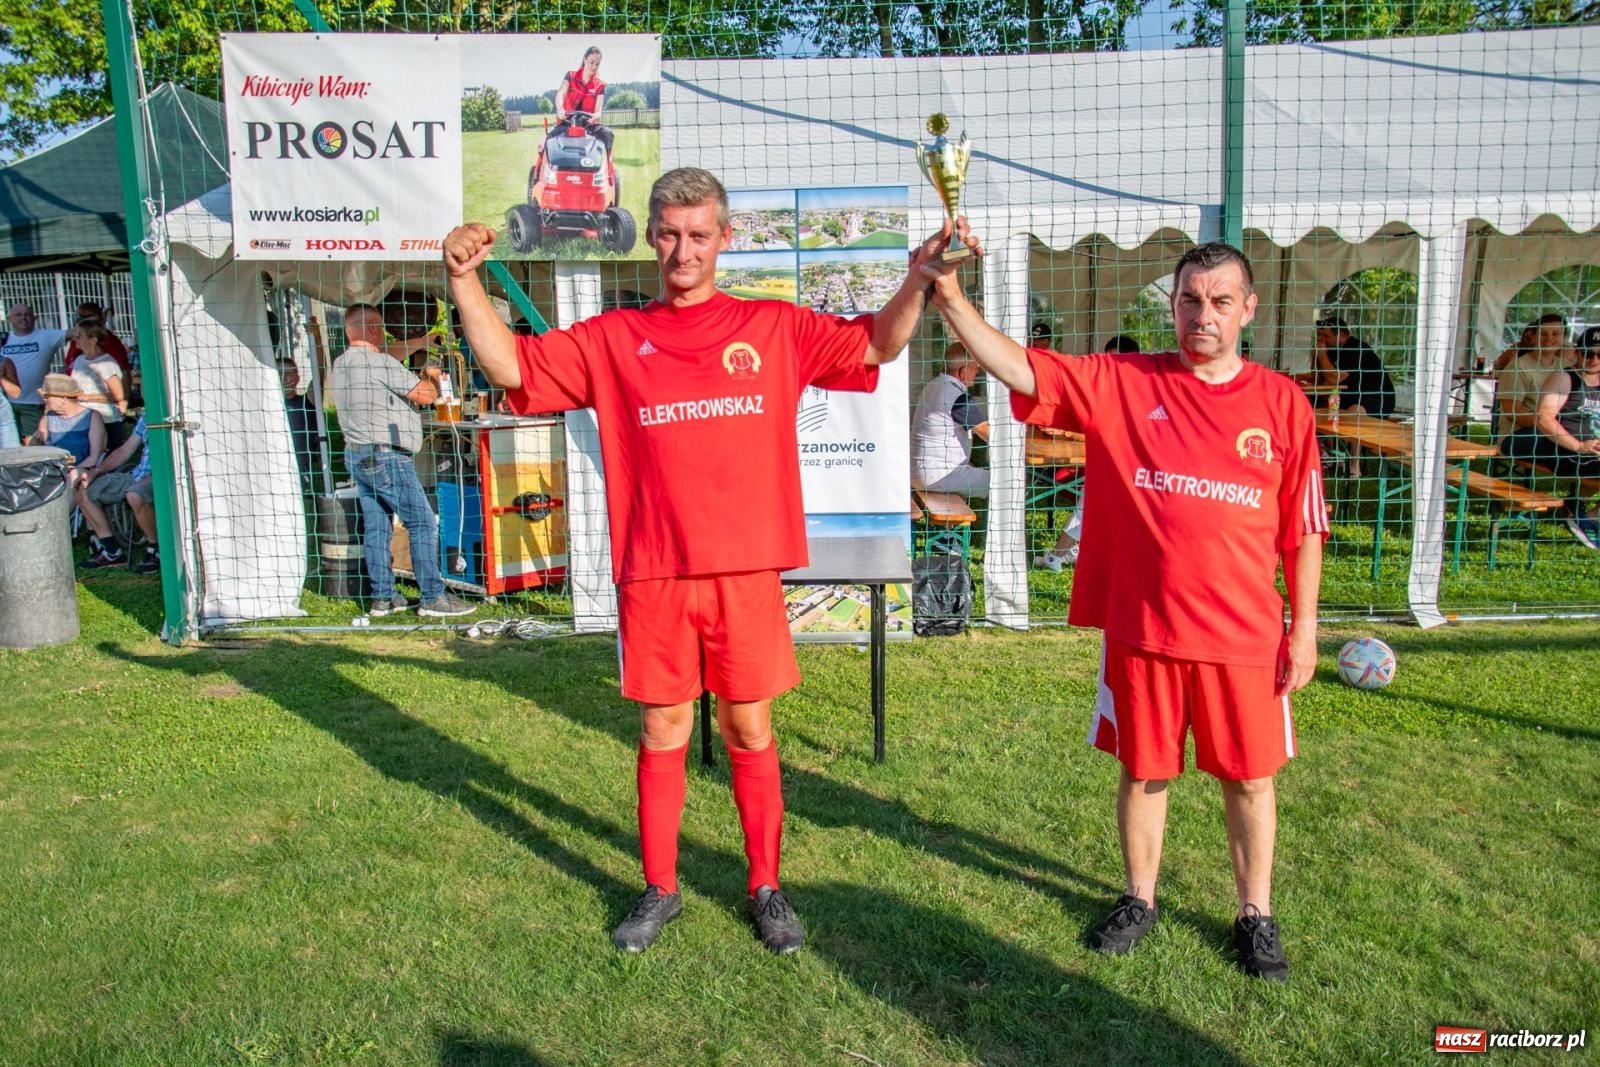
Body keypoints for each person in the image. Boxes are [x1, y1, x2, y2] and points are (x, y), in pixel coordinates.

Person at [443, 166, 963, 955]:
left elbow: (876, 343)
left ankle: (766, 883)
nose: (683, 250)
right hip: (656, 570)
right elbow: (513, 369)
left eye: (698, 235)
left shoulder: (773, 328)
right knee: (662, 729)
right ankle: (660, 886)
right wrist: (464, 282)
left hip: (745, 571)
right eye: (670, 234)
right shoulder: (616, 339)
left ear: (724, 239)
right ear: (650, 236)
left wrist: (920, 278)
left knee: (749, 728)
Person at [929, 238, 1326, 982]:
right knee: (1145, 768)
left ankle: (1255, 912)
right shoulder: (1122, 381)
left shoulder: (1282, 403)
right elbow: (1021, 367)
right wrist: (950, 297)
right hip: (1144, 627)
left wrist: (1303, 628)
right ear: (1172, 305)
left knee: (1249, 777)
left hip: (1244, 634)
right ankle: (1139, 897)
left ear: (1248, 308)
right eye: (1188, 300)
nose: (1201, 315)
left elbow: (1304, 527)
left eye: (1217, 301)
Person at [328, 304, 477, 620]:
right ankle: (433, 597)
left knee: (377, 527)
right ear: (371, 329)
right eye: (381, 328)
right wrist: (434, 375)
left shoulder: (342, 363)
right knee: (422, 521)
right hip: (388, 456)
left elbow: (390, 356)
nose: (385, 335)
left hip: (358, 455)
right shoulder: (380, 363)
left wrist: (422, 342)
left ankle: (383, 597)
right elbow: (424, 395)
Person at [1035, 335, 1143, 571]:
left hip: (1125, 463)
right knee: (1093, 505)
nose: (1108, 362)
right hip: (1106, 460)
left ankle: (1058, 555)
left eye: (1114, 357)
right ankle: (1068, 551)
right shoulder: (1108, 388)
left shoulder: (1133, 392)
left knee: (1090, 506)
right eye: (1106, 357)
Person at [1499, 324, 1600, 549]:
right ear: (1577, 353)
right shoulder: (1564, 378)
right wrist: (1579, 445)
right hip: (1560, 444)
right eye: (1587, 353)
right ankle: (1578, 510)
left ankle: (1584, 511)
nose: (1593, 359)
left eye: (1599, 354)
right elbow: (1544, 420)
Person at [74, 412, 161, 573]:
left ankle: (155, 549)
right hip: (136, 475)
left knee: (135, 494)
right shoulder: (147, 416)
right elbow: (125, 450)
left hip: (163, 475)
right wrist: (95, 471)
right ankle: (111, 550)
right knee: (82, 486)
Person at [911, 341, 988, 499]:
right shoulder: (958, 397)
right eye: (975, 368)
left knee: (973, 471)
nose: (977, 372)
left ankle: (961, 523)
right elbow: (989, 433)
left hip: (918, 471)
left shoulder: (932, 385)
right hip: (938, 475)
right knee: (1005, 482)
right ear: (962, 371)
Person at [1497, 313, 1575, 441]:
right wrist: (1547, 423)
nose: (1549, 339)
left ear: (1563, 339)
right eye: (1543, 334)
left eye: (1555, 334)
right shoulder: (1518, 367)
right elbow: (1512, 412)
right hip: (1517, 434)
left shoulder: (1566, 367)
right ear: (1533, 337)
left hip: (1555, 429)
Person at [1, 302, 68, 442]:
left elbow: (77, 333)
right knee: (8, 443)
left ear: (35, 318)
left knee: (32, 442)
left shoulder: (47, 336)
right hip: (6, 402)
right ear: (10, 319)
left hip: (33, 402)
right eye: (18, 315)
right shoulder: (3, 339)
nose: (23, 318)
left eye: (27, 314)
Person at [69, 324, 129, 450]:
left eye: (79, 335)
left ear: (93, 340)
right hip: (83, 419)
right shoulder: (79, 360)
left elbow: (118, 396)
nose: (75, 338)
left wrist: (87, 397)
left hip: (106, 420)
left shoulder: (107, 363)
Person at [553, 46, 614, 162]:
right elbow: (560, 93)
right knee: (549, 138)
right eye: (592, 62)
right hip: (567, 123)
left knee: (607, 134)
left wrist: (596, 116)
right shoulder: (570, 76)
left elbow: (598, 111)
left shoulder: (600, 85)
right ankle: (542, 169)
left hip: (588, 125)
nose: (594, 66)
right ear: (585, 59)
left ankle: (607, 166)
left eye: (597, 64)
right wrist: (560, 109)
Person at [30, 373, 105, 468]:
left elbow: (95, 457)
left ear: (62, 399)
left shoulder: (92, 417)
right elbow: (39, 451)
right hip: (54, 470)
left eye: (46, 397)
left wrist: (74, 473)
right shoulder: (47, 418)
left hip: (84, 470)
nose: (44, 400)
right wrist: (35, 442)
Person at [278, 358, 322, 492]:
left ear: (297, 378)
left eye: (289, 373)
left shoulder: (306, 402)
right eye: (280, 373)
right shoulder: (264, 406)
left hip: (299, 468)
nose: (284, 378)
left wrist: (318, 340)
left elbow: (320, 373)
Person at [65, 302, 132, 381]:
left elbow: (125, 373)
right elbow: (67, 364)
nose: (77, 321)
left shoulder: (110, 342)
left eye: (79, 317)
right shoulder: (78, 340)